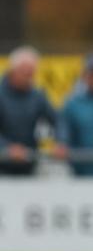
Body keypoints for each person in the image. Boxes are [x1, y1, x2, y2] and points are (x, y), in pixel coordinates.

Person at [0, 46, 59, 175]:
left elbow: (58, 121)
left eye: (31, 74)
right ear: (12, 71)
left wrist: (61, 142)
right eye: (25, 73)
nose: (29, 78)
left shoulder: (37, 96)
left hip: (28, 166)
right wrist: (7, 148)